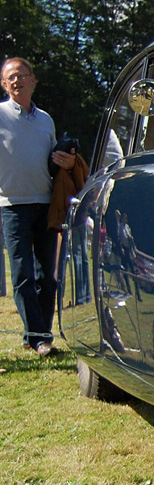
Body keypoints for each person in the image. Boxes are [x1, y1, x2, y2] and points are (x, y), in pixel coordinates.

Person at [0, 57, 77, 356]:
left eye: (22, 76)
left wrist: (68, 161)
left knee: (48, 277)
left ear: (33, 80)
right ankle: (39, 338)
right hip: (11, 205)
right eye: (10, 78)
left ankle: (36, 334)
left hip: (46, 203)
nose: (16, 81)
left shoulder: (46, 120)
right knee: (22, 275)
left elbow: (54, 163)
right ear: (4, 85)